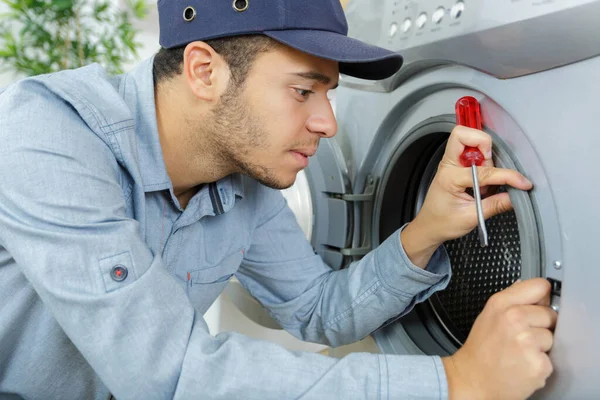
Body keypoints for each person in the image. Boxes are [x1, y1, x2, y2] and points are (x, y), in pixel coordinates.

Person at [0, 0, 557, 399]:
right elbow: (167, 375)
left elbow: (318, 311)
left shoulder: (241, 174)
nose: (327, 122)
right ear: (204, 71)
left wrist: (426, 230)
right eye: (302, 90)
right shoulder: (48, 136)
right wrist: (457, 383)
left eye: (329, 93)